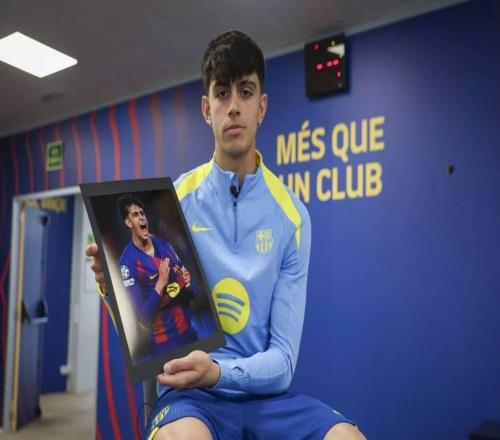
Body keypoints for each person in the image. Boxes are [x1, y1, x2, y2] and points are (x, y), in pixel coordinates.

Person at [87, 30, 366, 440]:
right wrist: (111, 288)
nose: (233, 106)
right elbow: (144, 330)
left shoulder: (292, 217)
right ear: (207, 108)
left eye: (245, 92)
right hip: (192, 397)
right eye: (222, 93)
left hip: (265, 398)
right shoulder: (173, 203)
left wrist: (220, 371)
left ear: (261, 106)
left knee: (348, 437)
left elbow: (284, 361)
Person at [116, 194, 197, 357]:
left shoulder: (164, 245)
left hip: (190, 335)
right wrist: (161, 283)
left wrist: (188, 283)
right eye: (135, 214)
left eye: (142, 213)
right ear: (128, 222)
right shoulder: (127, 263)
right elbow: (143, 317)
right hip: (165, 347)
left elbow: (190, 288)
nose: (141, 217)